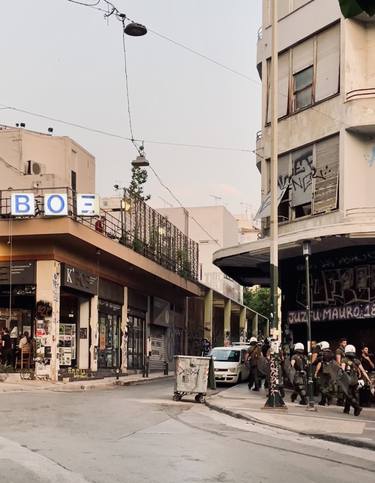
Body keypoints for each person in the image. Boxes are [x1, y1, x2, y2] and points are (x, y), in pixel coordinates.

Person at [341, 344, 371, 416]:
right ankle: (347, 410)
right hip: (355, 380)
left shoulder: (344, 359)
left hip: (347, 380)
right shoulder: (357, 361)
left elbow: (342, 370)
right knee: (354, 395)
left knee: (348, 395)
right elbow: (363, 371)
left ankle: (357, 408)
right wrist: (368, 379)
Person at [314, 341, 335, 406]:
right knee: (326, 386)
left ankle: (329, 397)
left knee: (320, 386)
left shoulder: (321, 354)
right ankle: (323, 401)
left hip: (322, 372)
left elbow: (318, 363)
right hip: (330, 372)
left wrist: (316, 372)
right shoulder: (332, 354)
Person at [335, 338, 348, 406]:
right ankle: (340, 400)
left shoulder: (346, 350)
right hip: (341, 369)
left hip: (346, 369)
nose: (345, 344)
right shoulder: (339, 350)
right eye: (344, 343)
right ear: (340, 343)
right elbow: (338, 361)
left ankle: (343, 399)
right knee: (341, 385)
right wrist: (341, 368)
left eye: (346, 343)